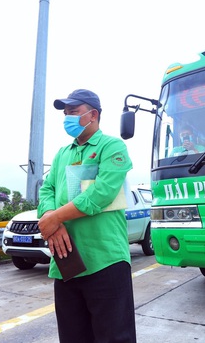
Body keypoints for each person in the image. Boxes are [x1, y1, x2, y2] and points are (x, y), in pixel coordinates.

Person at [37, 89, 136, 343]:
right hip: (67, 262)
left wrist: (56, 218)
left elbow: (101, 193)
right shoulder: (62, 154)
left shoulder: (112, 146)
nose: (67, 117)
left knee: (114, 337)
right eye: (65, 113)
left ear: (93, 114)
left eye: (73, 111)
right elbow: (46, 189)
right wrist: (50, 215)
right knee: (72, 337)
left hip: (105, 261)